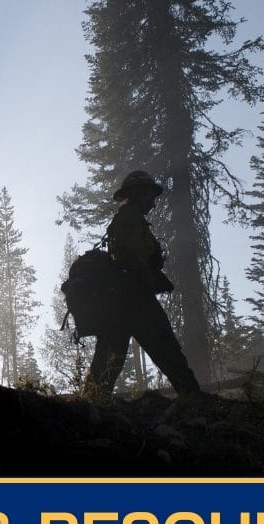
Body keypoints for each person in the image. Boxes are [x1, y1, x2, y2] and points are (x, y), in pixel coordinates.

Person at [85, 170, 201, 397]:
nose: (153, 204)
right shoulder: (130, 220)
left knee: (108, 361)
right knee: (167, 351)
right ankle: (194, 400)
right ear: (138, 194)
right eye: (150, 196)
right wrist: (150, 275)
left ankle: (91, 407)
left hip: (117, 302)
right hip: (135, 299)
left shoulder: (125, 221)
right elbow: (131, 256)